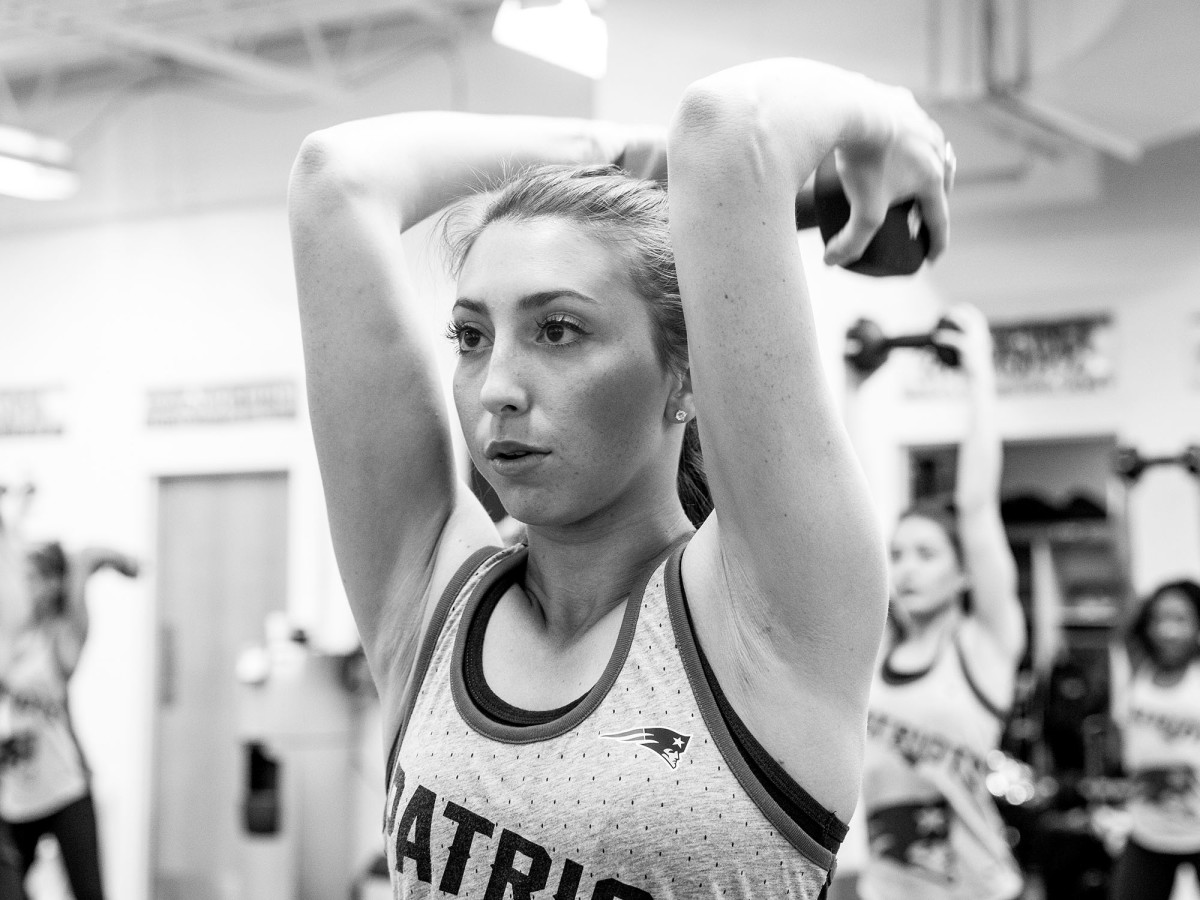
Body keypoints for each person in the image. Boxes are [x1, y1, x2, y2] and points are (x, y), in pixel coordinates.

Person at [288, 57, 953, 898]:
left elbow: (727, 125)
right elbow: (333, 178)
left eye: (557, 330)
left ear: (685, 377)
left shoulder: (769, 614)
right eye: (470, 336)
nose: (497, 387)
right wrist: (623, 157)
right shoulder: (432, 602)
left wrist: (886, 113)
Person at [848, 304, 1026, 900]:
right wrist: (853, 391)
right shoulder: (876, 653)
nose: (906, 570)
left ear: (963, 575)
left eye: (927, 555)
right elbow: (846, 515)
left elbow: (976, 508)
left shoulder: (983, 649)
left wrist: (978, 376)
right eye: (899, 555)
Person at [0, 536, 139, 900]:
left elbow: (86, 556)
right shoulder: (14, 636)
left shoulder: (61, 636)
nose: (26, 587)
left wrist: (124, 561)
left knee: (89, 892)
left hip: (64, 790)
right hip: (16, 796)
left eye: (35, 579)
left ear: (54, 583)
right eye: (24, 578)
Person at [1106, 579, 1200, 900]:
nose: (1168, 630)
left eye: (1180, 619)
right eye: (1159, 618)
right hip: (1148, 830)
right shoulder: (1137, 667)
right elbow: (1123, 590)